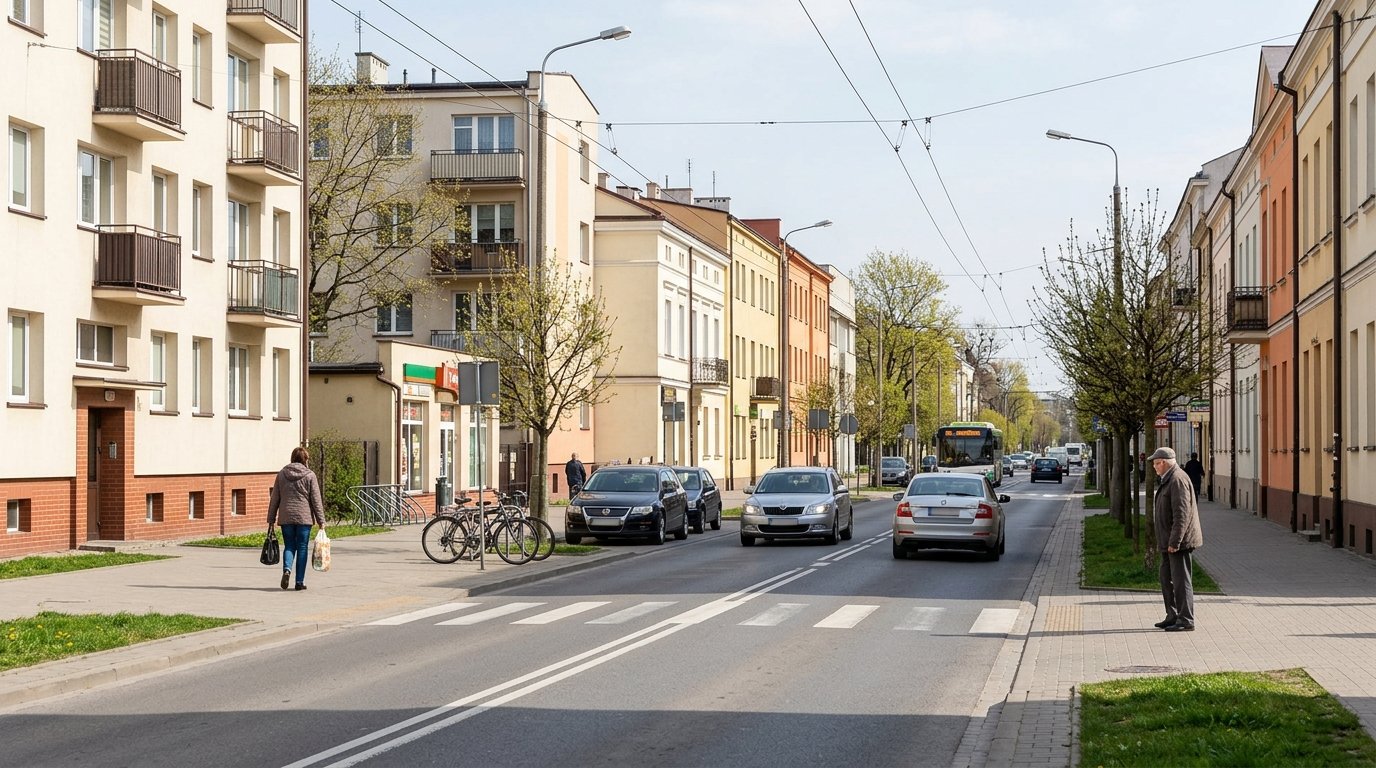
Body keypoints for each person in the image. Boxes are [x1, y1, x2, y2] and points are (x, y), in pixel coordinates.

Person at [1148, 447, 1204, 632]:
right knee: (1166, 578)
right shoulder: (1169, 478)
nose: (1154, 467)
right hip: (1167, 541)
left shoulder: (1177, 479)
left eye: (1156, 464)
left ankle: (1186, 619)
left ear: (1164, 462)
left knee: (1181, 581)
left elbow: (1182, 515)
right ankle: (1172, 615)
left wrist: (1175, 542)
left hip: (1178, 543)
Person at [267, 446, 326, 591]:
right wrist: (321, 521)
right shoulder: (310, 475)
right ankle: (299, 582)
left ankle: (287, 570)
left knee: (289, 546)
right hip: (303, 518)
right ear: (305, 459)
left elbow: (274, 498)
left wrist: (271, 519)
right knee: (302, 547)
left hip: (286, 517)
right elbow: (316, 500)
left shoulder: (281, 474)